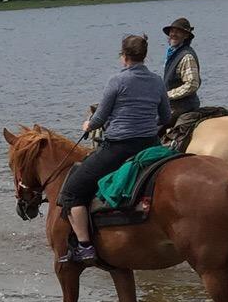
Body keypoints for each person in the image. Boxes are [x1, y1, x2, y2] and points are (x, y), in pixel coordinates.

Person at [59, 35, 174, 267]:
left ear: (124, 57)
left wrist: (87, 125)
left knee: (72, 191)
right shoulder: (157, 81)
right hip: (151, 145)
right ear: (144, 55)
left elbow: (100, 118)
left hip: (119, 147)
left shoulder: (117, 81)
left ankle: (85, 247)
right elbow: (165, 117)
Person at [161, 17, 202, 116]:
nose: (173, 34)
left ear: (186, 35)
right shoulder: (173, 53)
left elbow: (192, 84)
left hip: (183, 107)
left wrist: (167, 95)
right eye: (172, 31)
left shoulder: (187, 56)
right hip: (173, 104)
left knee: (153, 126)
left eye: (178, 32)